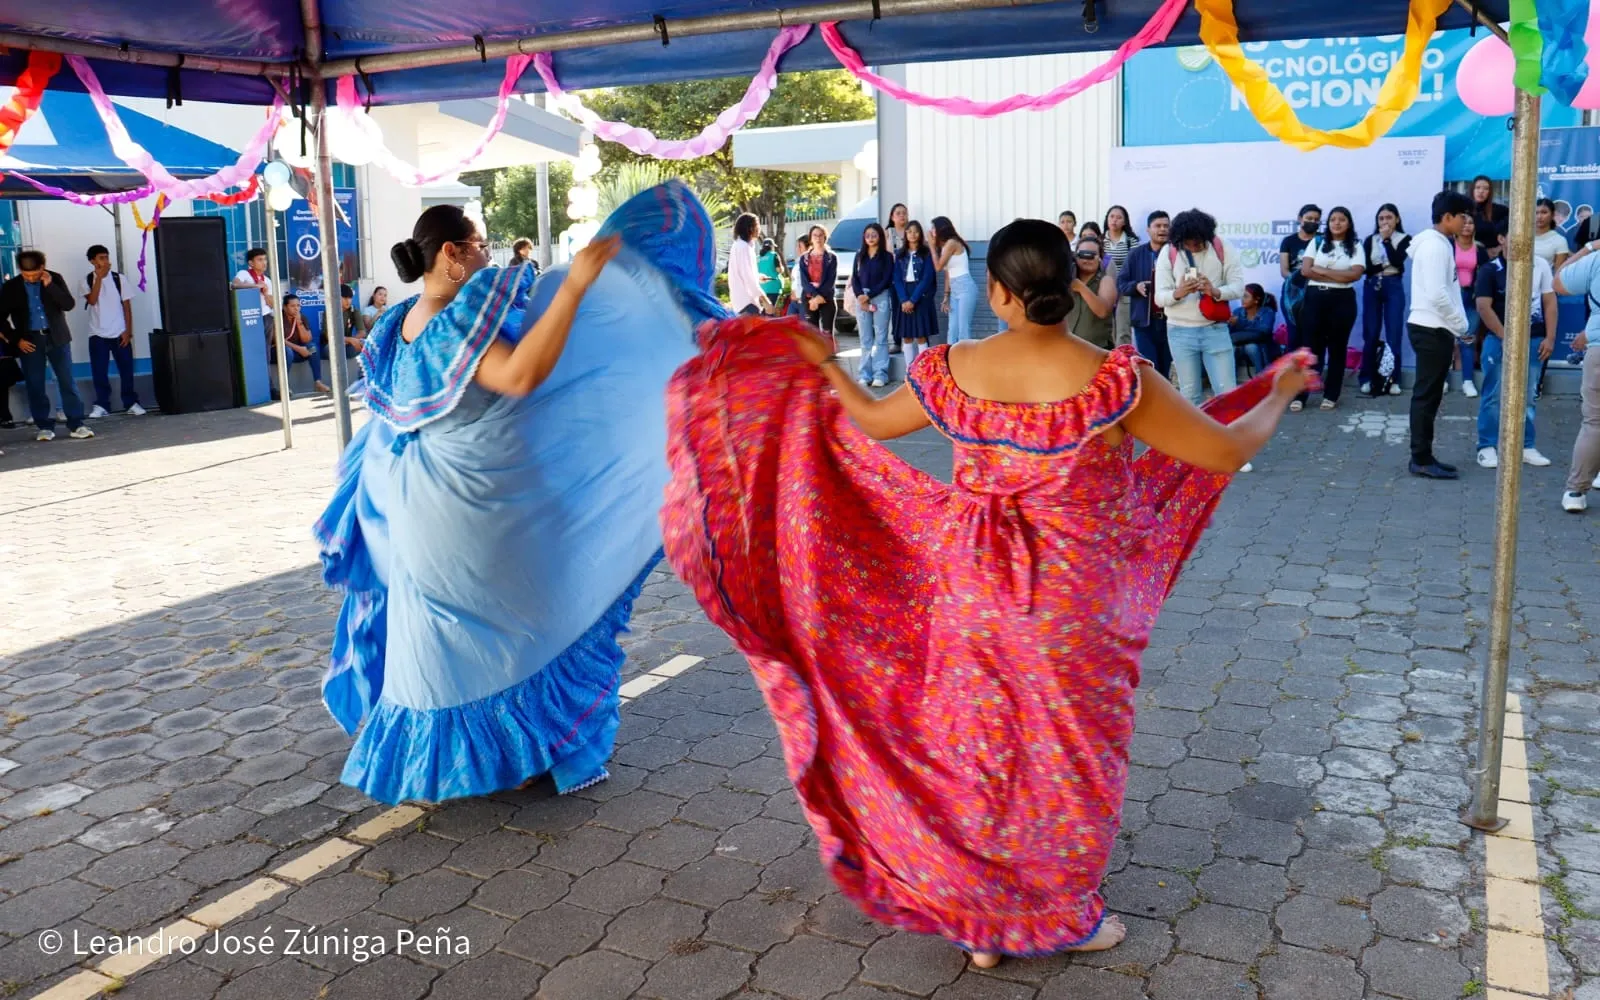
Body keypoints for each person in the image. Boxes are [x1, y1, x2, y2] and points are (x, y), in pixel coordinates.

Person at [658, 217, 1312, 970]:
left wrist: (823, 365)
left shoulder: (953, 366)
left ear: (997, 293)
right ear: (1071, 284)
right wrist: (1278, 392)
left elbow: (871, 421)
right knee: (1071, 757)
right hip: (1075, 605)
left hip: (974, 591)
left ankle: (981, 924)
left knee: (982, 756)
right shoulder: (1119, 379)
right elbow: (1225, 451)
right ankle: (1059, 914)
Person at [314, 185, 717, 804]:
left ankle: (460, 760)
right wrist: (578, 286)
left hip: (423, 506)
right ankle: (520, 754)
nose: (485, 257)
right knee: (520, 624)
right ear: (450, 253)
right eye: (477, 246)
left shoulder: (396, 324)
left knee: (451, 634)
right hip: (474, 509)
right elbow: (523, 374)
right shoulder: (453, 325)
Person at [1473, 227, 1556, 469]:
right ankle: (1487, 446)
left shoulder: (1539, 265)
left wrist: (1550, 338)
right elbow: (1483, 307)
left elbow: (1549, 303)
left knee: (1528, 395)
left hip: (1533, 339)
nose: (1523, 239)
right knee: (1493, 395)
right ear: (1501, 239)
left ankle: (1525, 446)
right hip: (1498, 340)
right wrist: (1505, 337)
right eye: (1515, 234)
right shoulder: (1490, 270)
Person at [1407, 190, 1475, 480]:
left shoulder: (1438, 243)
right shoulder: (1435, 247)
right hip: (1431, 328)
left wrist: (1457, 326)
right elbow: (1438, 294)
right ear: (1447, 217)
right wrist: (1461, 325)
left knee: (1430, 395)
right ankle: (1420, 458)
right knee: (1426, 396)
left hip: (1435, 327)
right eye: (1462, 216)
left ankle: (1424, 455)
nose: (1466, 222)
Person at [1155, 208, 1245, 406]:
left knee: (1227, 392)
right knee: (1189, 395)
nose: (1193, 247)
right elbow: (1159, 298)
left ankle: (1228, 434)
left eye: (1197, 242)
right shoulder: (1169, 251)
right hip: (1179, 330)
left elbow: (1238, 287)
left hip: (1215, 328)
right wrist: (1179, 292)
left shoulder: (1221, 246)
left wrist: (1214, 291)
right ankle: (1195, 437)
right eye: (1187, 243)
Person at [0, 250, 91, 442]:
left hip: (57, 337)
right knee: (35, 385)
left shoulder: (55, 278)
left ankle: (77, 424)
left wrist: (50, 286)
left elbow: (68, 304)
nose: (31, 278)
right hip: (29, 341)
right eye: (26, 275)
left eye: (34, 274)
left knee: (67, 381)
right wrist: (16, 340)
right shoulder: (11, 287)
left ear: (42, 268)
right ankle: (44, 426)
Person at [1295, 206, 1364, 411]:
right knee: (1309, 349)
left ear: (1348, 223)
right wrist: (1339, 275)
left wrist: (1323, 270)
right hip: (1315, 299)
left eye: (1341, 219)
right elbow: (1307, 270)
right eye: (1333, 219)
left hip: (1342, 300)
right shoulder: (1317, 242)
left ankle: (1331, 394)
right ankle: (1300, 395)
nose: (1336, 223)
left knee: (1337, 348)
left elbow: (1355, 274)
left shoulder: (1356, 246)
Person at [1552, 235, 1600, 511]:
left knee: (1594, 422)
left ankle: (1575, 492)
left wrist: (1589, 247)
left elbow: (1559, 282)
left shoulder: (1595, 260)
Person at [81, 243, 145, 418]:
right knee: (99, 371)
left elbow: (127, 307)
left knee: (126, 369)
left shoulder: (119, 279)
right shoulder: (87, 280)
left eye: (107, 257)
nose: (105, 261)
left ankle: (131, 402)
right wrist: (99, 278)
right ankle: (102, 404)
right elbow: (92, 301)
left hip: (119, 332)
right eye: (101, 258)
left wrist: (128, 331)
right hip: (97, 333)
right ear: (92, 261)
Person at [1359, 205, 1410, 397]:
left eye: (1389, 217)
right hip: (1372, 285)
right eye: (1381, 218)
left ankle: (1393, 379)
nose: (1385, 222)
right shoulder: (1370, 240)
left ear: (1396, 219)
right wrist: (1380, 263)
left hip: (1393, 284)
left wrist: (1387, 241)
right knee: (1371, 333)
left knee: (1394, 332)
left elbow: (1398, 261)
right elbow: (1367, 267)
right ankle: (1367, 378)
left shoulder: (1405, 239)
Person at [851, 222, 895, 387]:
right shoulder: (859, 255)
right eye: (867, 235)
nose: (870, 238)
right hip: (861, 299)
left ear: (880, 237)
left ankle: (880, 374)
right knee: (865, 338)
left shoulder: (887, 256)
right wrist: (860, 295)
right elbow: (854, 277)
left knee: (881, 337)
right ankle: (865, 375)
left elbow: (887, 279)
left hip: (880, 297)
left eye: (874, 235)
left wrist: (869, 295)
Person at [1279, 203, 1321, 360]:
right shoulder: (1289, 241)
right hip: (1292, 293)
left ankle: (1312, 379)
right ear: (1300, 219)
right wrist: (1296, 282)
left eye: (1316, 219)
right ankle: (1291, 379)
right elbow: (1284, 270)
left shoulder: (1322, 240)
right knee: (1294, 336)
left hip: (1315, 292)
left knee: (1313, 338)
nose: (1312, 222)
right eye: (1309, 218)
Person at [1453, 216, 1490, 398]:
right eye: (1464, 222)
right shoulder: (1448, 246)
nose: (1467, 226)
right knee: (1445, 340)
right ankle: (1442, 380)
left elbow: (1484, 275)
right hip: (1452, 297)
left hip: (1471, 297)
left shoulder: (1480, 249)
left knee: (1467, 339)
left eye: (1470, 222)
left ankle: (1467, 380)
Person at [893, 221, 937, 362]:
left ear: (920, 234)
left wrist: (913, 300)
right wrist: (904, 300)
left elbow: (927, 278)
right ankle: (909, 371)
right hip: (904, 294)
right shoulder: (900, 255)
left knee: (921, 334)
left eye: (916, 231)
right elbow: (897, 279)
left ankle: (922, 371)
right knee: (906, 335)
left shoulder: (926, 254)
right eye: (909, 231)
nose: (912, 234)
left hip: (920, 295)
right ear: (905, 234)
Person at [933, 217, 977, 345]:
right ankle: (949, 361)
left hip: (966, 287)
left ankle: (965, 362)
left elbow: (938, 267)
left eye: (933, 229)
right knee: (952, 329)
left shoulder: (952, 243)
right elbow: (947, 274)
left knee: (963, 329)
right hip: (954, 290)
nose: (932, 232)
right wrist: (946, 296)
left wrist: (930, 245)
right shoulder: (945, 247)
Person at [1068, 233, 1115, 349]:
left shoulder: (1106, 280)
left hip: (1097, 351)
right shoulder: (1066, 279)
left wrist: (1081, 287)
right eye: (1083, 255)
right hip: (1068, 349)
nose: (1087, 259)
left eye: (1092, 255)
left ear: (1100, 258)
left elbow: (1103, 311)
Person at [276, 294, 331, 394]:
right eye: (292, 306)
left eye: (298, 306)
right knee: (288, 352)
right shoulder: (278, 319)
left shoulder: (302, 317)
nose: (296, 309)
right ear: (284, 307)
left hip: (300, 353)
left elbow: (307, 339)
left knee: (313, 348)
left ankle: (318, 382)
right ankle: (284, 387)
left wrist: (299, 322)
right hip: (286, 352)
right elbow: (278, 340)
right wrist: (299, 349)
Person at [1103, 205, 1136, 347]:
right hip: (1105, 289)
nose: (1114, 220)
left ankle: (1124, 363)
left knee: (1123, 330)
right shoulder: (1100, 240)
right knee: (1107, 329)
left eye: (1118, 217)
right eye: (1111, 216)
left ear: (1124, 221)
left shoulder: (1131, 241)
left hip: (1124, 290)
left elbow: (1135, 265)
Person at [728, 213, 772, 317]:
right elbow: (749, 280)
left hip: (742, 304)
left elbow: (744, 274)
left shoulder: (739, 246)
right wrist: (766, 301)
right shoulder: (744, 248)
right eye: (757, 225)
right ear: (750, 228)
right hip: (747, 304)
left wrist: (759, 277)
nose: (759, 228)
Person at [1230, 283, 1278, 375]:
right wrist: (1229, 323)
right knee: (1232, 348)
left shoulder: (1267, 312)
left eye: (1246, 297)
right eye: (1242, 296)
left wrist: (1240, 323)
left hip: (1261, 346)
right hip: (1240, 345)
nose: (1242, 299)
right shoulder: (1238, 311)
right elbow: (1231, 334)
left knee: (1251, 347)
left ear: (1256, 300)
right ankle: (1231, 379)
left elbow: (1264, 331)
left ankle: (1261, 376)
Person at [800, 225, 838, 335]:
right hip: (809, 298)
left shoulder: (831, 257)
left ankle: (829, 353)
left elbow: (830, 281)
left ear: (825, 237)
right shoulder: (804, 258)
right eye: (815, 235)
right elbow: (804, 281)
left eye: (821, 235)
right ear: (811, 238)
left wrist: (818, 298)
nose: (818, 238)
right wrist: (814, 297)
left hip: (826, 298)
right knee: (812, 334)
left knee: (827, 333)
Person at [232, 248, 275, 324]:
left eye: (265, 259)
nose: (264, 263)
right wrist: (255, 286)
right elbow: (234, 285)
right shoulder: (244, 273)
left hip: (265, 315)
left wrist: (265, 293)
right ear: (251, 263)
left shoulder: (267, 280)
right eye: (260, 260)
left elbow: (272, 305)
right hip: (250, 316)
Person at [1469, 175, 1508, 247]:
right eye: (1478, 187)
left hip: (1493, 254)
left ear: (1490, 192)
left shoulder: (1499, 210)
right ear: (1472, 190)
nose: (1481, 191)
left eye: (1486, 189)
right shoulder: (1465, 209)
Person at [1533, 198, 1572, 270]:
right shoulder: (1524, 237)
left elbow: (1558, 273)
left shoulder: (1560, 240)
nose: (1539, 216)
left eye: (1544, 212)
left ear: (1553, 215)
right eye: (1536, 213)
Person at [757, 238, 785, 306]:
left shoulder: (757, 258)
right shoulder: (774, 255)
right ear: (771, 247)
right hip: (774, 287)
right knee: (771, 310)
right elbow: (779, 270)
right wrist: (783, 268)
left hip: (761, 288)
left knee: (764, 311)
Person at [788, 235, 810, 317]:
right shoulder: (797, 262)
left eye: (800, 246)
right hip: (794, 302)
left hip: (804, 302)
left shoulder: (811, 263)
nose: (797, 249)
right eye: (797, 246)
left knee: (805, 328)